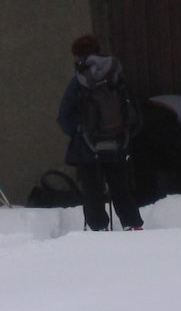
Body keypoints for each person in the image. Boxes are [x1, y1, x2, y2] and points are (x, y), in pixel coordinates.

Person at [57, 34, 144, 231]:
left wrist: (79, 133)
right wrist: (125, 135)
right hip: (117, 143)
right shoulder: (116, 77)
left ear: (76, 55)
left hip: (87, 147)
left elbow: (64, 116)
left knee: (92, 191)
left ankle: (99, 230)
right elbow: (134, 113)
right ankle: (133, 225)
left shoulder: (78, 81)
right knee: (120, 187)